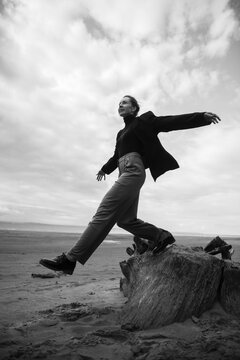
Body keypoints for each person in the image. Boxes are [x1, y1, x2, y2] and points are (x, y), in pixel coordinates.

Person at [40, 95, 221, 275]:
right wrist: (104, 169)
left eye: (125, 102)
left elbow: (170, 122)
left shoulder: (144, 121)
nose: (120, 105)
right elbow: (116, 156)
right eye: (119, 103)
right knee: (125, 221)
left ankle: (69, 259)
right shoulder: (121, 133)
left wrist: (200, 117)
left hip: (133, 170)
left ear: (134, 108)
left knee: (103, 212)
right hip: (124, 171)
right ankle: (161, 236)